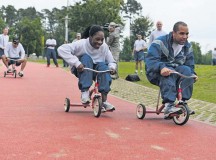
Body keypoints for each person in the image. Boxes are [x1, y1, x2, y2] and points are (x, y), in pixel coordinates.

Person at [146, 21, 198, 119]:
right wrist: (161, 67)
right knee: (169, 71)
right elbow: (150, 61)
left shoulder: (188, 46)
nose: (185, 36)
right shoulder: (159, 42)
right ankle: (169, 106)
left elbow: (190, 63)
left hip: (175, 71)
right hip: (155, 72)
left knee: (187, 71)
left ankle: (183, 102)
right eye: (181, 33)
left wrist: (193, 74)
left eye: (187, 34)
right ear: (173, 33)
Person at [58, 25, 117, 112]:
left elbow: (111, 61)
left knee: (104, 66)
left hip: (96, 70)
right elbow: (61, 49)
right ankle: (85, 92)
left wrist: (112, 67)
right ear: (90, 37)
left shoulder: (104, 47)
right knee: (86, 57)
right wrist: (76, 63)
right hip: (81, 69)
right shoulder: (81, 44)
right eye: (97, 39)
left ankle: (104, 101)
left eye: (102, 39)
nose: (100, 42)